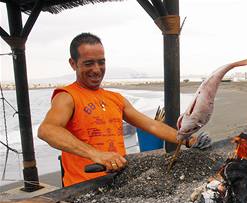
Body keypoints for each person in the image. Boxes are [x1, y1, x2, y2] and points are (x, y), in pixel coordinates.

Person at [38, 33, 210, 187]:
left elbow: (152, 125)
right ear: (73, 63)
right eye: (88, 63)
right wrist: (95, 154)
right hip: (82, 186)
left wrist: (187, 139)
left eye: (101, 62)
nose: (96, 69)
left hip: (118, 180)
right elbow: (47, 130)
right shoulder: (67, 96)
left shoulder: (115, 98)